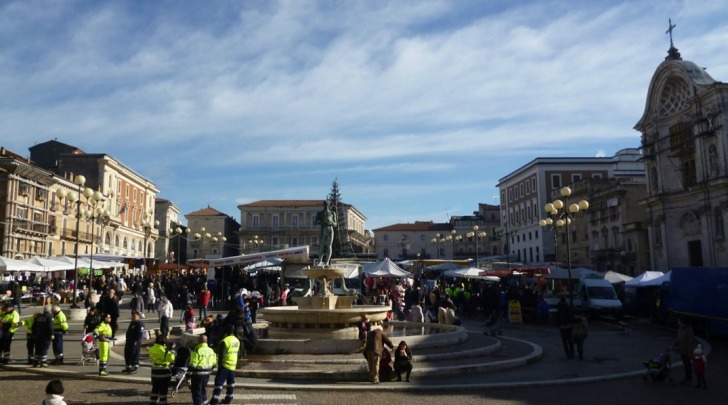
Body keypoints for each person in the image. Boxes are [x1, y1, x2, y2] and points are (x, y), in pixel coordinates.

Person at [209, 325, 240, 404]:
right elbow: (238, 354)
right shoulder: (237, 340)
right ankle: (229, 398)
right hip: (233, 366)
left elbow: (221, 355)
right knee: (231, 383)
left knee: (219, 383)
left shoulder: (225, 341)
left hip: (225, 365)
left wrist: (219, 365)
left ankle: (214, 400)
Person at [189, 334, 217, 405]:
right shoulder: (211, 350)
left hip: (197, 375)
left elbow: (193, 365)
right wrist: (209, 370)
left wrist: (187, 376)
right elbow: (214, 364)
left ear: (199, 341)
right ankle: (206, 403)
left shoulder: (197, 350)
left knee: (197, 393)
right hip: (207, 375)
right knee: (202, 390)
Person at [149, 335, 176, 405]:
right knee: (163, 389)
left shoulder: (152, 349)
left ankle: (152, 402)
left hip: (154, 370)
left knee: (155, 388)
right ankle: (163, 403)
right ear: (164, 343)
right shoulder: (163, 351)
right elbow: (171, 358)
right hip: (164, 371)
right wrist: (172, 349)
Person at [314, 200, 337, 266]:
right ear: (323, 205)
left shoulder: (333, 213)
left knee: (329, 246)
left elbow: (335, 224)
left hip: (330, 229)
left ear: (329, 206)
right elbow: (315, 222)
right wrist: (323, 222)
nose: (326, 206)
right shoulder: (320, 213)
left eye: (327, 205)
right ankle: (320, 261)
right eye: (325, 205)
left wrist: (331, 222)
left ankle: (327, 262)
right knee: (321, 246)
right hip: (323, 229)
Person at [673, 317, 695, 384]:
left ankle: (688, 378)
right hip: (682, 350)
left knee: (687, 365)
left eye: (678, 320)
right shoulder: (680, 329)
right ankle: (687, 378)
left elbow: (691, 341)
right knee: (686, 364)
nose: (678, 322)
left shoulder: (688, 329)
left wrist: (690, 351)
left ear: (682, 321)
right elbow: (678, 339)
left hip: (686, 350)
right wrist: (673, 346)